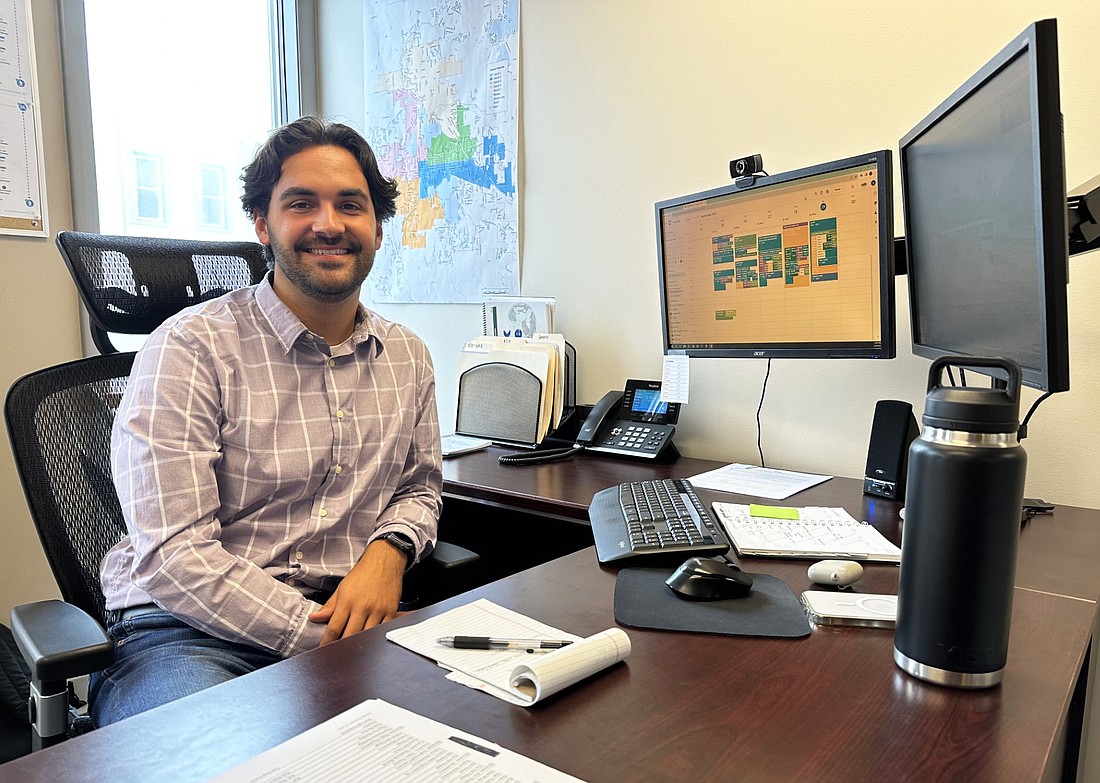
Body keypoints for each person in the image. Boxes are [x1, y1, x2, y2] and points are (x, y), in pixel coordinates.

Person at [89, 117, 442, 726]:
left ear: (378, 229)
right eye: (301, 203)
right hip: (187, 633)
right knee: (214, 761)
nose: (328, 224)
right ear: (262, 223)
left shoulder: (407, 355)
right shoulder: (190, 348)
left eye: (350, 205)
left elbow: (419, 487)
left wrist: (389, 552)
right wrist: (327, 638)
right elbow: (175, 556)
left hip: (347, 616)